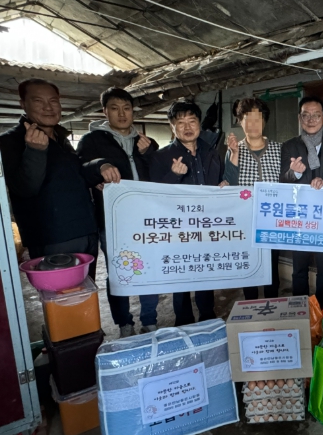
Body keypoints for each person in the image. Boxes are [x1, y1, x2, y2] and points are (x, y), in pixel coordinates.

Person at [77, 87, 160, 337]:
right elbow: (79, 171)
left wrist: (149, 153)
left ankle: (150, 320)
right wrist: (98, 168)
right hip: (112, 220)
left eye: (126, 108)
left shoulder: (145, 142)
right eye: (115, 108)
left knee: (148, 268)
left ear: (133, 111)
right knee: (117, 271)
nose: (122, 114)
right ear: (105, 111)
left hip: (145, 220)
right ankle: (124, 323)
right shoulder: (91, 141)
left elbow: (160, 174)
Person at [0, 78, 98, 278]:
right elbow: (24, 188)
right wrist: (35, 151)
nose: (48, 107)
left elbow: (74, 176)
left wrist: (100, 168)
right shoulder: (10, 142)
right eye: (38, 101)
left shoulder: (60, 138)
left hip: (85, 231)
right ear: (23, 104)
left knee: (86, 291)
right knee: (62, 294)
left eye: (53, 101)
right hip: (54, 238)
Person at [150, 101, 228, 326]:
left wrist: (222, 186)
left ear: (199, 124)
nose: (187, 127)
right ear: (172, 126)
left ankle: (207, 317)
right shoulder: (161, 157)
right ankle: (183, 320)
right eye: (180, 122)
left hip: (206, 225)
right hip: (178, 229)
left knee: (204, 271)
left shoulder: (211, 152)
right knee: (181, 276)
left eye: (192, 121)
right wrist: (174, 175)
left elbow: (217, 182)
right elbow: (153, 196)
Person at [279, 96, 323, 307]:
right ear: (299, 118)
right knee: (299, 267)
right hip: (300, 218)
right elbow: (283, 179)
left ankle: (321, 310)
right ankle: (300, 309)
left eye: (316, 115)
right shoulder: (289, 146)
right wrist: (295, 173)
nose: (311, 119)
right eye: (306, 115)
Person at [224, 97, 281, 300]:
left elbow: (286, 182)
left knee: (272, 266)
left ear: (264, 121)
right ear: (240, 122)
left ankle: (272, 304)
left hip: (272, 221)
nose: (253, 124)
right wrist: (234, 155)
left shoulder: (278, 149)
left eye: (257, 119)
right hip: (245, 222)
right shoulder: (234, 150)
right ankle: (251, 305)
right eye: (247, 119)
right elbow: (229, 183)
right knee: (249, 265)